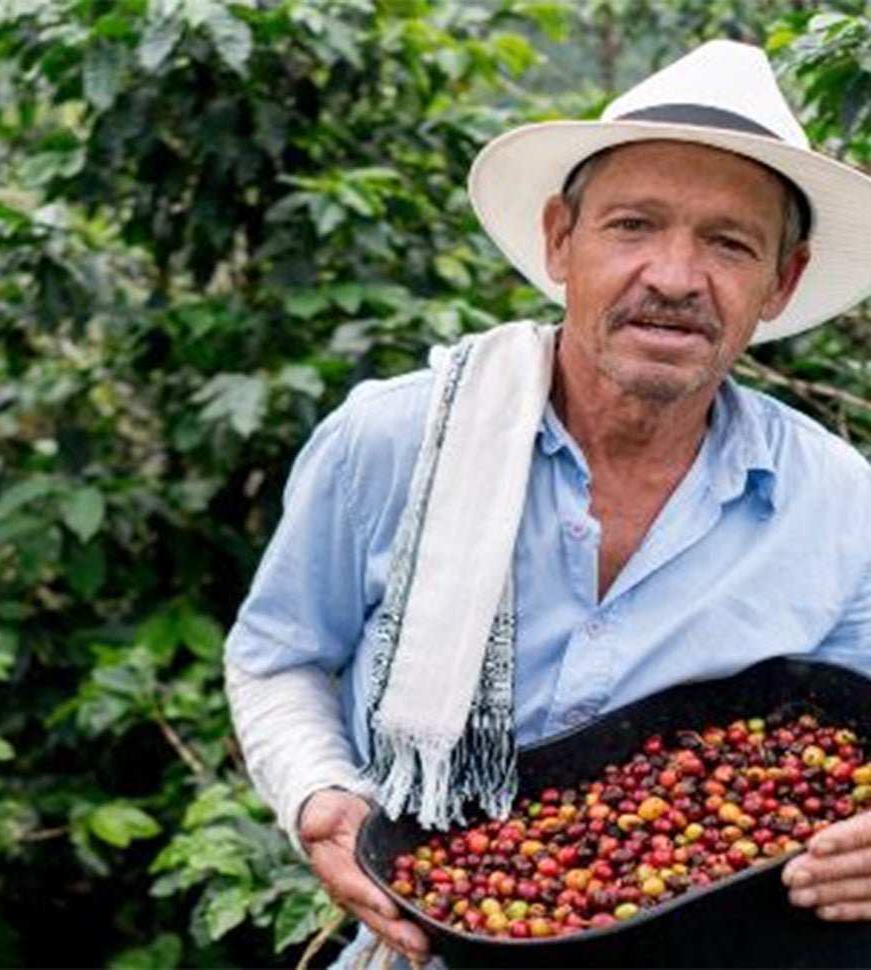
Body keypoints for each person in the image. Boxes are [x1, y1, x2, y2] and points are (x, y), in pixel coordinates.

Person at [224, 39, 871, 968]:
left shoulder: (841, 504)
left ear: (784, 280)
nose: (675, 277)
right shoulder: (394, 441)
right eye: (633, 226)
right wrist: (317, 795)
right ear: (561, 238)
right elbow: (279, 657)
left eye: (730, 244)